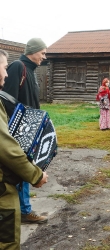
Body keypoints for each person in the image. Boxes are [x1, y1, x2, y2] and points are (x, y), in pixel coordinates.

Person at [0, 48, 48, 250]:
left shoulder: (30, 71)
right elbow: (7, 148)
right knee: (7, 241)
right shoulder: (19, 67)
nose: (6, 72)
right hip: (2, 187)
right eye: (3, 67)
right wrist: (35, 174)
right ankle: (25, 210)